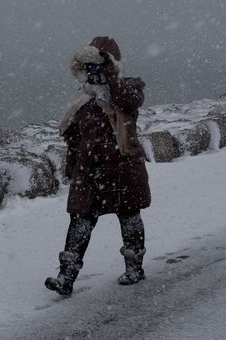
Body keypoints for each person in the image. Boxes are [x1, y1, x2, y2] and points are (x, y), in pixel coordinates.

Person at [45, 36, 151, 296]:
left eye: (99, 66)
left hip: (123, 167)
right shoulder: (82, 99)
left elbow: (128, 101)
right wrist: (71, 168)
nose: (94, 73)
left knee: (129, 216)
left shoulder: (126, 91)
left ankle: (134, 268)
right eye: (90, 67)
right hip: (89, 171)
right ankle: (65, 278)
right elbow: (73, 137)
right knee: (80, 221)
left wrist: (111, 75)